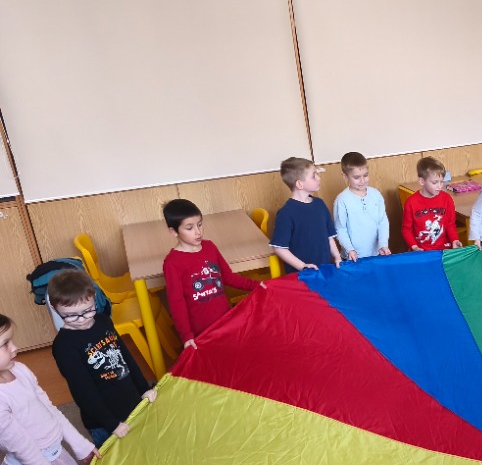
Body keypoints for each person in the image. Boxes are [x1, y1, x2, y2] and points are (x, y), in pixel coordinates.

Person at [0, 314, 96, 465]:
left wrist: (81, 445)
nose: (15, 348)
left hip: (58, 459)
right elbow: (27, 452)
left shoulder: (21, 370)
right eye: (4, 344)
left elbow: (50, 410)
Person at [48, 270, 157, 449]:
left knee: (145, 448)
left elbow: (125, 357)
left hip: (131, 402)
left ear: (93, 297)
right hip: (104, 422)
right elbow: (83, 391)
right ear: (54, 308)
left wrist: (143, 388)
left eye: (87, 310)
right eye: (72, 315)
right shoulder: (63, 346)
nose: (81, 319)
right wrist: (111, 423)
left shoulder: (103, 321)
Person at [162, 199, 265, 349]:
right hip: (201, 331)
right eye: (189, 228)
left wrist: (256, 285)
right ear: (173, 232)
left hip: (225, 320)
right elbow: (177, 303)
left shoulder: (209, 247)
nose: (198, 232)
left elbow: (228, 277)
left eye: (199, 224)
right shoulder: (172, 263)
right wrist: (186, 335)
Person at [270, 157, 343, 274]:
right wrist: (303, 266)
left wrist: (337, 257)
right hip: (301, 275)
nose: (318, 178)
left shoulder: (320, 204)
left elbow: (329, 236)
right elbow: (279, 248)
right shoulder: (285, 213)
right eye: (314, 176)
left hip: (325, 269)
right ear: (299, 184)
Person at [334, 152, 391, 261]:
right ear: (345, 176)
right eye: (356, 177)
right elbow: (340, 229)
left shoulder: (376, 194)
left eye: (365, 175)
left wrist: (383, 244)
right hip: (353, 257)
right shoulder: (342, 200)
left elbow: (382, 221)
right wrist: (350, 249)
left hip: (376, 253)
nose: (362, 181)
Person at [402, 157, 462, 251]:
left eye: (441, 182)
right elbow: (406, 230)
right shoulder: (411, 202)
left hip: (444, 250)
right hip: (421, 252)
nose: (439, 186)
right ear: (422, 181)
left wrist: (455, 240)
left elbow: (450, 225)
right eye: (435, 182)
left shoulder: (447, 199)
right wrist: (414, 247)